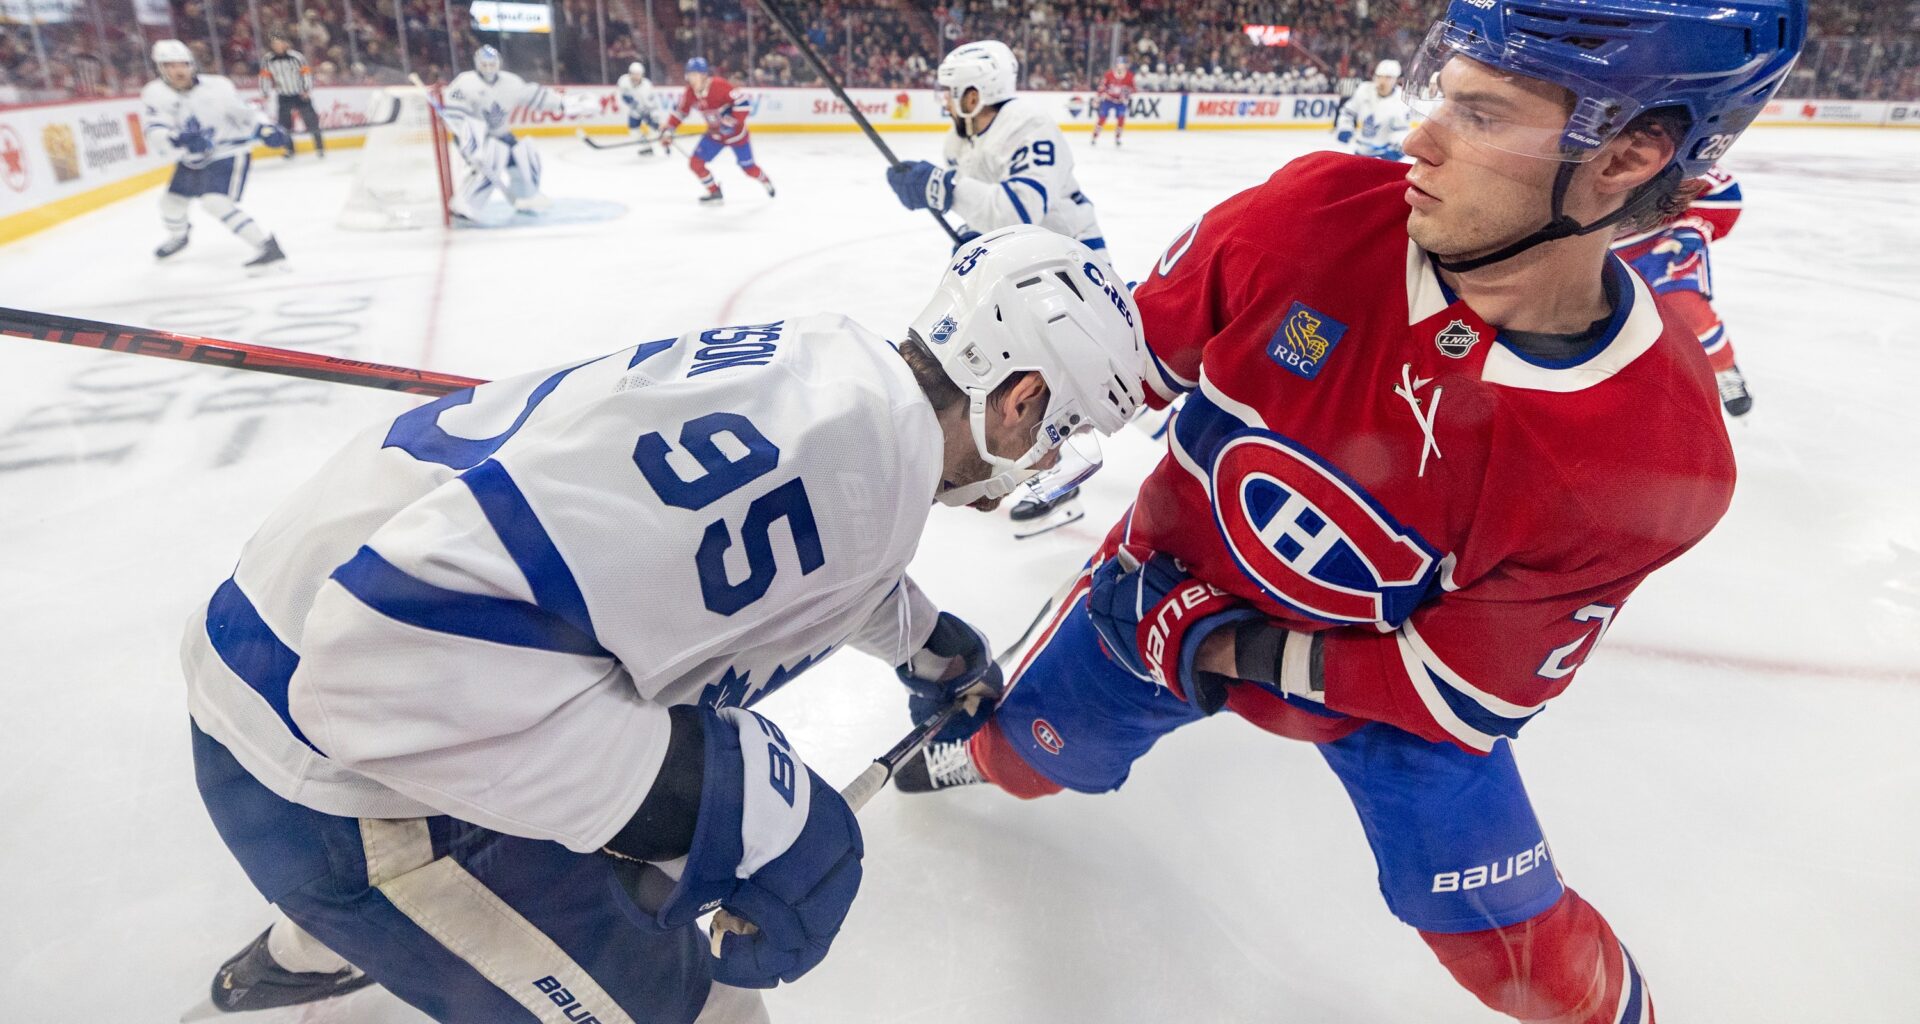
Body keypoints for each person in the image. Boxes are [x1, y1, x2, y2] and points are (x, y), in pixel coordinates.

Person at [895, 3, 1806, 1022]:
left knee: (1517, 954)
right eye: (1442, 95)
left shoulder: (1658, 450)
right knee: (1026, 757)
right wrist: (956, 423)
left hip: (1320, 665)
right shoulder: (1311, 215)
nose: (1418, 137)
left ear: (1629, 154)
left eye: (1481, 114)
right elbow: (1121, 369)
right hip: (1160, 586)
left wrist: (1212, 644)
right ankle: (983, 753)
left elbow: (1449, 691)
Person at [183, 227, 1146, 1022]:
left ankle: (315, 947)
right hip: (327, 777)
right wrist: (717, 799)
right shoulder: (843, 465)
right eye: (1058, 435)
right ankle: (350, 918)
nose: (1044, 465)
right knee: (700, 1008)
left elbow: (789, 562)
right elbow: (379, 661)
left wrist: (929, 644)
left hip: (271, 654)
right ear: (1020, 397)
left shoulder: (839, 374)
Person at [885, 40, 1111, 537]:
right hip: (1021, 269)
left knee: (1072, 380)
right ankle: (1076, 458)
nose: (947, 100)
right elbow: (987, 216)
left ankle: (1064, 478)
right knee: (1042, 381)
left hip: (1069, 271)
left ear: (977, 91)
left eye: (953, 91)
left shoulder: (1028, 126)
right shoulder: (959, 141)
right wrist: (970, 240)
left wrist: (942, 188)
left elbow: (1021, 208)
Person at [1612, 165, 1753, 414]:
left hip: (1662, 245)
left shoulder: (1658, 154)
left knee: (1686, 309)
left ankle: (1723, 368)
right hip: (1597, 256)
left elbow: (1723, 191)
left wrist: (1691, 230)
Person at [140, 39, 289, 272]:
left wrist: (265, 127)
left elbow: (245, 112)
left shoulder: (217, 86)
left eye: (183, 64)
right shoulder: (155, 93)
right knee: (171, 202)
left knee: (215, 202)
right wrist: (178, 139)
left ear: (192, 64)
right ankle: (179, 236)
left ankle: (267, 246)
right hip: (193, 157)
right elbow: (155, 128)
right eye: (170, 66)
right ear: (160, 69)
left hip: (228, 152)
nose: (178, 70)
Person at [442, 45, 596, 220]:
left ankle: (527, 195)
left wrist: (564, 103)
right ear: (477, 64)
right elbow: (455, 114)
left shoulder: (510, 82)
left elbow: (535, 96)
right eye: (484, 64)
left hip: (501, 134)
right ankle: (467, 203)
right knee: (492, 159)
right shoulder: (465, 83)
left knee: (525, 153)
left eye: (492, 64)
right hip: (475, 137)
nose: (489, 68)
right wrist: (470, 143)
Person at [661, 57, 774, 204]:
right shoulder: (690, 92)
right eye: (689, 75)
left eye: (694, 75)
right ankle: (714, 191)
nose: (691, 79)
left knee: (748, 168)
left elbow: (743, 104)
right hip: (715, 136)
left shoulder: (719, 85)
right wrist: (669, 129)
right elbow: (680, 112)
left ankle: (765, 180)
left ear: (704, 75)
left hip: (737, 136)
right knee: (696, 163)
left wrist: (730, 122)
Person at [258, 35, 324, 159]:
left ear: (285, 44)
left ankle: (319, 147)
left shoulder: (296, 57)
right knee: (284, 125)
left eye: (279, 43)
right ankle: (289, 149)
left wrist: (306, 89)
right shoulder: (267, 59)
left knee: (311, 122)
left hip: (300, 94)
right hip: (283, 95)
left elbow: (306, 73)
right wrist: (265, 92)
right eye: (274, 44)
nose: (277, 46)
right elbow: (264, 77)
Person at [1335, 58, 1413, 161]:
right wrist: (1345, 127)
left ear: (1396, 79)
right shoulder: (1364, 90)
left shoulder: (1401, 100)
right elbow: (1348, 112)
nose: (1382, 81)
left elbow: (1401, 129)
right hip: (1360, 149)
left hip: (1383, 154)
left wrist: (1396, 148)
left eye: (1388, 78)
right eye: (1379, 77)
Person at [617, 59, 662, 156]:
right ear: (630, 74)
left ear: (642, 75)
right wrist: (633, 104)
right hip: (634, 112)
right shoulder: (624, 81)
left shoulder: (647, 85)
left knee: (654, 131)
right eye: (633, 74)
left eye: (638, 74)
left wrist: (654, 116)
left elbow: (652, 103)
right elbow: (624, 97)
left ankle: (663, 145)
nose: (636, 77)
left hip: (647, 111)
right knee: (633, 132)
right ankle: (646, 147)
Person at [1090, 56, 1135, 146]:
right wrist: (1099, 97)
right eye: (1119, 64)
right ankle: (1095, 136)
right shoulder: (1109, 74)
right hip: (1108, 100)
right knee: (1102, 118)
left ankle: (1118, 138)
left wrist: (1126, 95)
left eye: (1123, 64)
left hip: (1120, 102)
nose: (1120, 66)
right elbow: (1102, 86)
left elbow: (1133, 88)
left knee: (1121, 118)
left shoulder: (1130, 76)